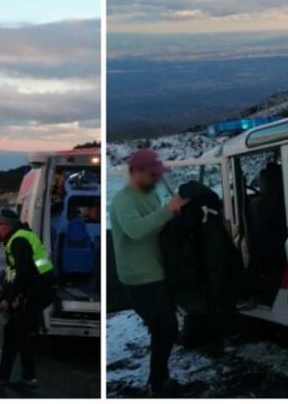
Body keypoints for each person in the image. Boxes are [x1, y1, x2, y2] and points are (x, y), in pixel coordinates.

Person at [109, 148, 188, 397]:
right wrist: (169, 210)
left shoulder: (150, 196)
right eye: (152, 174)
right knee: (165, 327)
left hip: (156, 272)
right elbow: (136, 230)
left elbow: (158, 226)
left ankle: (160, 378)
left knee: (165, 328)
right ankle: (158, 382)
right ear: (136, 172)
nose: (156, 178)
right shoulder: (123, 200)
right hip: (139, 278)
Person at [0, 209, 55, 390]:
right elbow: (17, 273)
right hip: (40, 291)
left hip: (35, 292)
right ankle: (29, 378)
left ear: (7, 226)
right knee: (23, 335)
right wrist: (7, 293)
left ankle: (2, 377)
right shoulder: (23, 236)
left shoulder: (17, 240)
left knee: (13, 333)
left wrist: (8, 300)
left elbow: (23, 273)